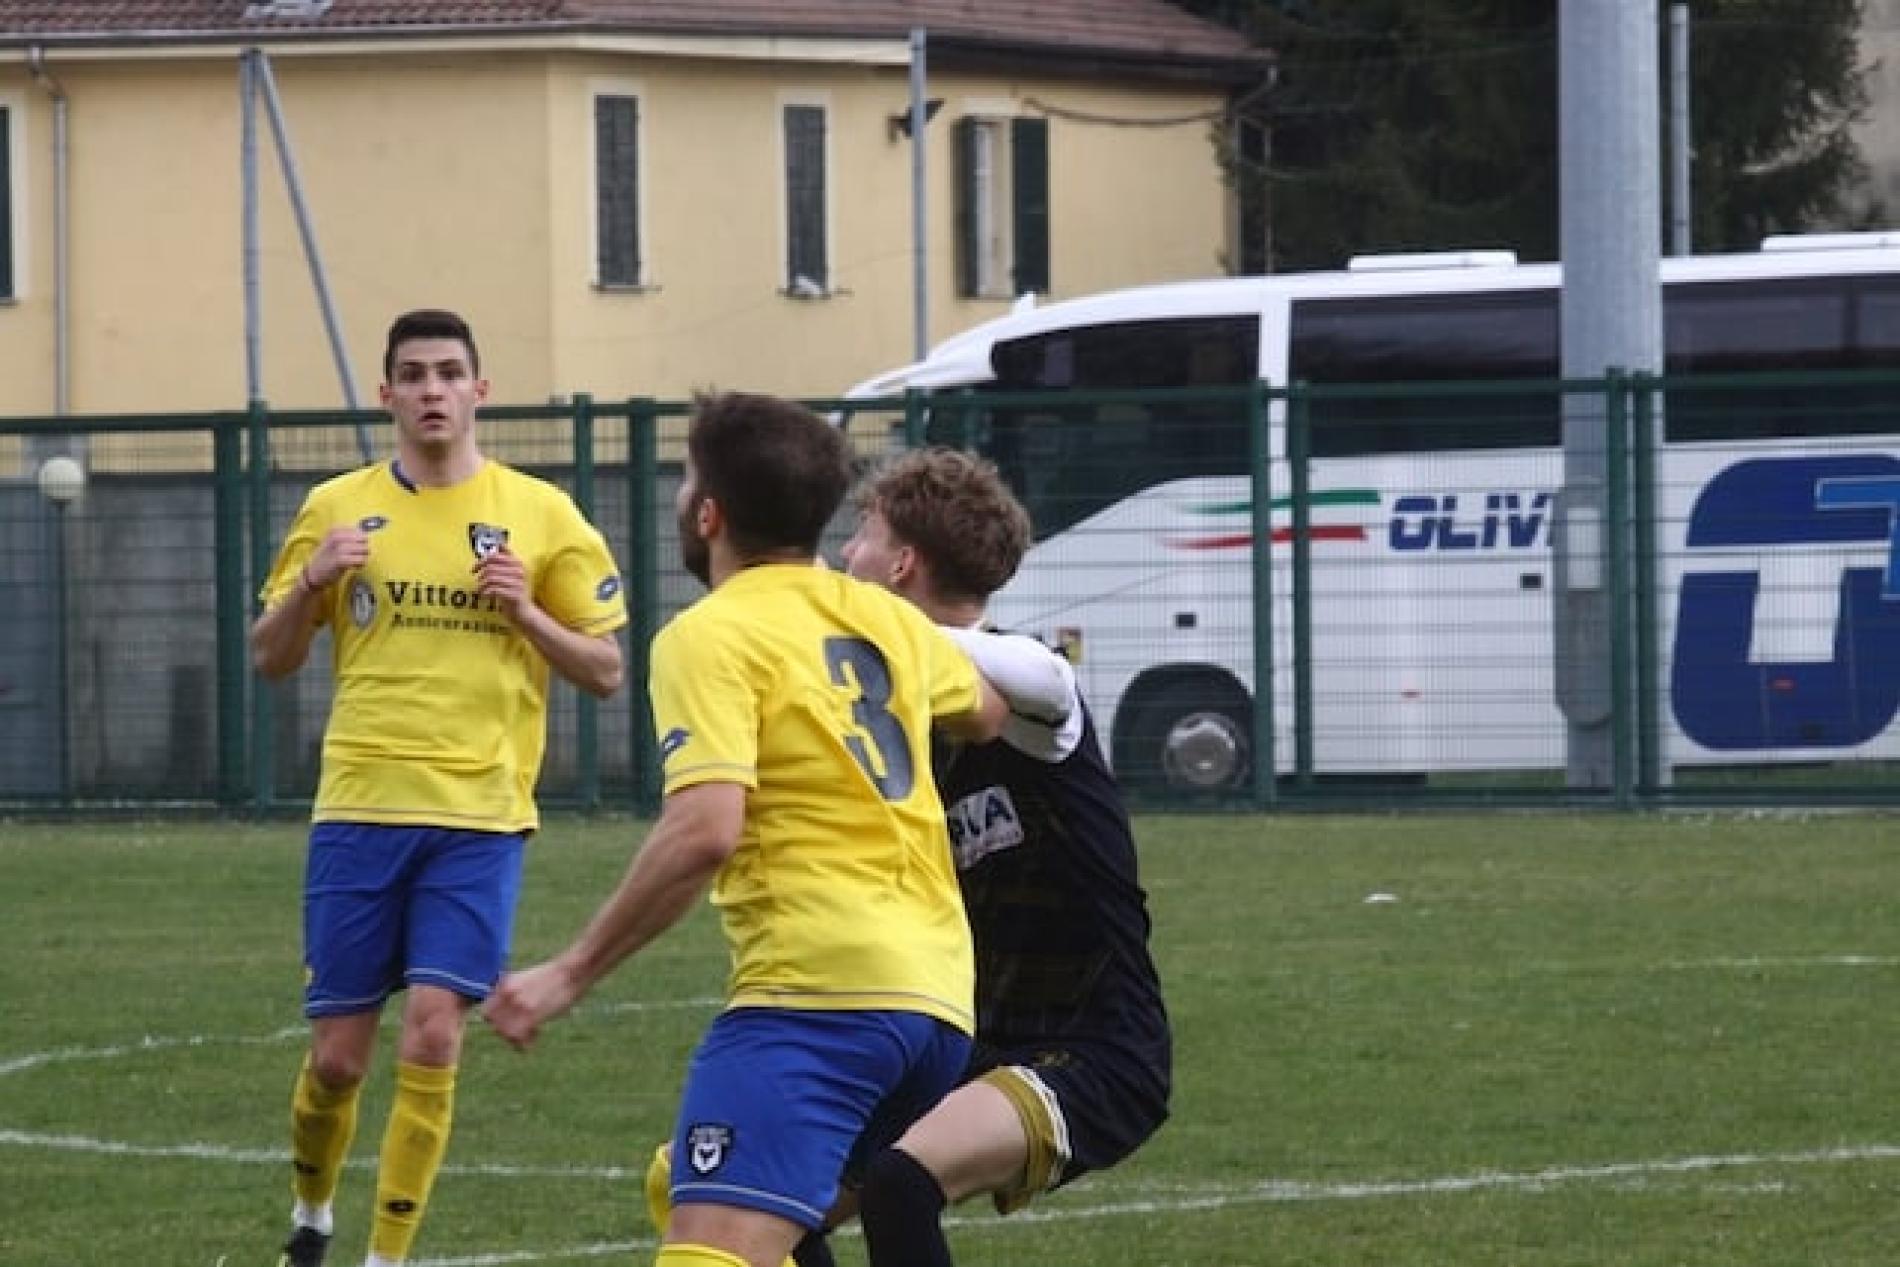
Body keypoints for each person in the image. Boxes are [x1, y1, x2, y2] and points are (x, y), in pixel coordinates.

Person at [481, 392, 1009, 1267]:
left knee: (709, 1256)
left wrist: (568, 972)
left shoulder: (710, 635)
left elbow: (704, 829)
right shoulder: (880, 615)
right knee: (696, 1194)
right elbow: (986, 712)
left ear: (710, 512)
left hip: (818, 997)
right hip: (935, 1004)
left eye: (689, 480)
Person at [250, 308, 628, 1267]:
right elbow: (269, 658)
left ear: (478, 390)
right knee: (338, 1058)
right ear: (386, 394)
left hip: (479, 818)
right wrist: (309, 588)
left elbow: (606, 668)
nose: (431, 390)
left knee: (431, 1032)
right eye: (412, 374)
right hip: (359, 810)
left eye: (448, 372)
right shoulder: (336, 508)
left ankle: (388, 1255)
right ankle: (312, 1213)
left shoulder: (542, 515)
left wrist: (528, 612)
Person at [831, 446, 1173, 1266]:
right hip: (968, 1042)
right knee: (791, 1205)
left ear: (903, 562)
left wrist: (872, 627)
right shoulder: (903, 717)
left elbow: (1042, 672)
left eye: (863, 535)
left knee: (899, 1182)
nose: (846, 555)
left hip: (1097, 1048)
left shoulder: (1029, 696)